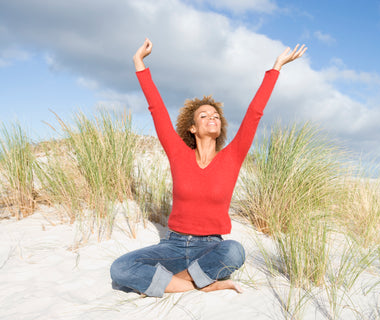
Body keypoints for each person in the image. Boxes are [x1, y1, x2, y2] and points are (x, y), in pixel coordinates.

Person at [110, 38, 307, 297]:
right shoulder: (178, 154)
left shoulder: (232, 157)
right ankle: (198, 283)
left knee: (235, 251)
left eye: (215, 115)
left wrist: (276, 67)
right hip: (175, 246)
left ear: (220, 126)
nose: (211, 117)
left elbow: (254, 113)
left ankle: (168, 284)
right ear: (192, 128)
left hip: (212, 248)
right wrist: (139, 64)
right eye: (204, 115)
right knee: (120, 268)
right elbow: (156, 109)